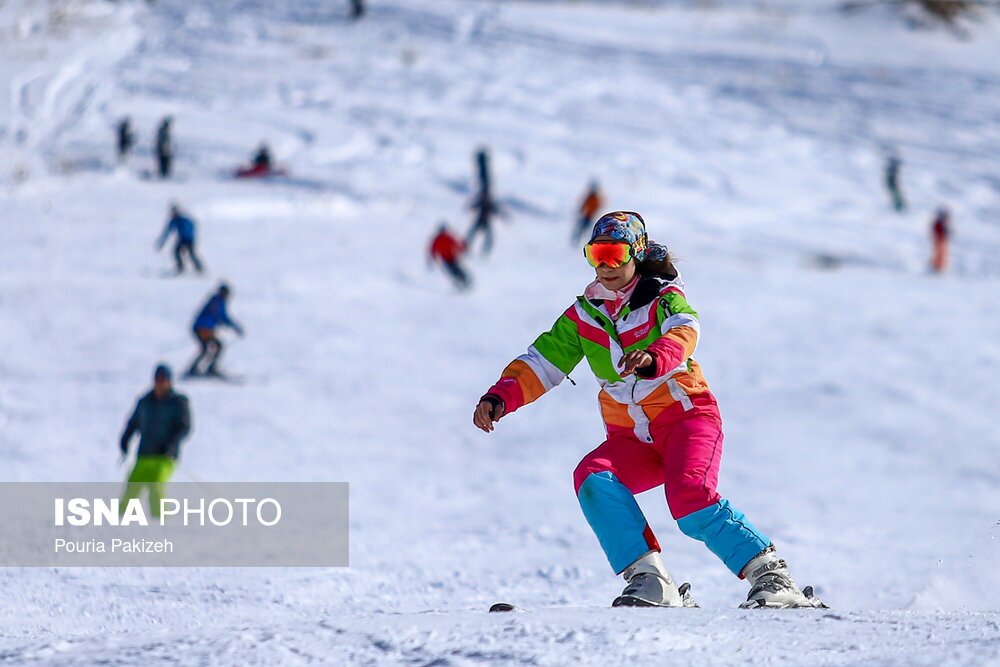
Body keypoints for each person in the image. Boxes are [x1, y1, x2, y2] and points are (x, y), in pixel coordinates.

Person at [472, 211, 825, 609]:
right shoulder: (585, 315)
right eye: (595, 254)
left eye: (614, 253)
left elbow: (685, 330)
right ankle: (651, 580)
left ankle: (771, 575)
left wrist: (655, 356)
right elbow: (543, 361)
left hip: (686, 418)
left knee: (690, 498)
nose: (605, 264)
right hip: (633, 438)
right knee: (593, 477)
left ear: (635, 254)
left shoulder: (663, 299)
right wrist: (500, 397)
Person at [119, 364, 191, 517]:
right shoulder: (145, 401)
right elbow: (134, 423)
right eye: (158, 380)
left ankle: (159, 522)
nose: (160, 383)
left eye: (164, 380)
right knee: (132, 486)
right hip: (145, 453)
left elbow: (184, 427)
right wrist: (125, 440)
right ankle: (120, 519)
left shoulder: (178, 402)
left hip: (165, 456)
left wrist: (171, 445)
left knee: (156, 486)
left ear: (170, 382)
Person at [187, 284, 245, 378]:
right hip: (202, 329)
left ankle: (196, 369)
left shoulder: (217, 301)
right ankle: (208, 368)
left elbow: (220, 317)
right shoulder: (217, 301)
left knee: (209, 348)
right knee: (215, 347)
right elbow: (221, 316)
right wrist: (235, 327)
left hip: (203, 329)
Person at [156, 204, 204, 274]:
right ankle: (180, 268)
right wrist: (161, 242)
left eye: (173, 212)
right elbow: (167, 232)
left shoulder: (183, 220)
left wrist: (187, 242)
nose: (172, 213)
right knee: (176, 252)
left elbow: (190, 228)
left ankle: (199, 268)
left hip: (188, 239)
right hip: (182, 239)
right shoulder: (174, 221)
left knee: (191, 254)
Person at [429, 224, 471, 289]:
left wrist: (462, 248)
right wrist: (433, 257)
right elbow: (433, 249)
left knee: (456, 270)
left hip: (451, 257)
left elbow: (456, 244)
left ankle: (464, 280)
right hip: (446, 259)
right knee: (454, 271)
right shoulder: (439, 239)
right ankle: (462, 281)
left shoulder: (445, 238)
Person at [931, 207, 951, 273]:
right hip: (939, 239)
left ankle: (939, 265)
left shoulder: (942, 223)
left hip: (941, 239)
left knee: (942, 252)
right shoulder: (939, 223)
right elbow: (938, 230)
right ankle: (937, 266)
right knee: (939, 252)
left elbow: (946, 231)